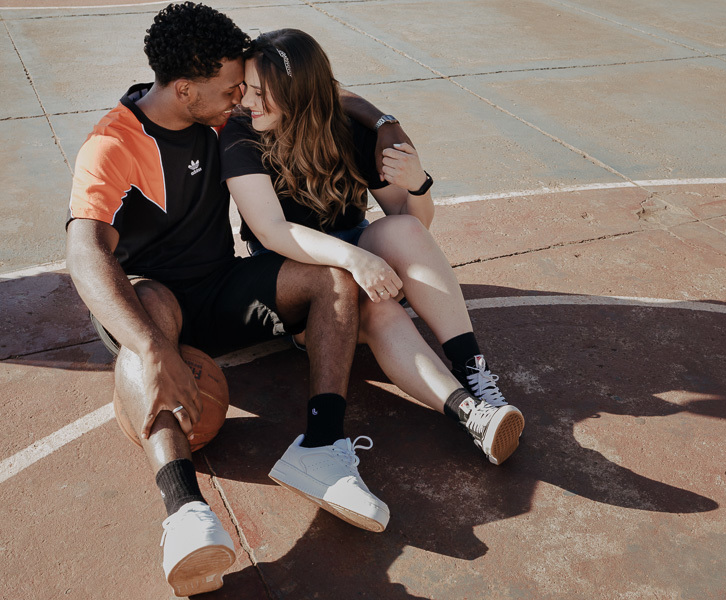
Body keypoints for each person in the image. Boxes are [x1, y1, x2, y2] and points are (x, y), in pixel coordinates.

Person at [66, 4, 410, 596]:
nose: (243, 101)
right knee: (152, 317)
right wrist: (150, 349)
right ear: (184, 89)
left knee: (331, 275)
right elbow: (84, 253)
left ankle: (322, 448)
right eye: (232, 91)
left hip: (222, 289)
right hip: (150, 304)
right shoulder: (113, 144)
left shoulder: (219, 115)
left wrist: (384, 120)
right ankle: (186, 514)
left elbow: (325, 93)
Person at [219, 29, 525, 469]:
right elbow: (272, 232)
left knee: (404, 232)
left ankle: (476, 379)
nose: (248, 102)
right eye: (246, 90)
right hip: (301, 277)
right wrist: (355, 259)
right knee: (380, 310)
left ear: (298, 93)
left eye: (261, 93)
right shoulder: (241, 135)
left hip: (359, 252)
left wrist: (417, 181)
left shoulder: (348, 129)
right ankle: (469, 412)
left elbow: (412, 222)